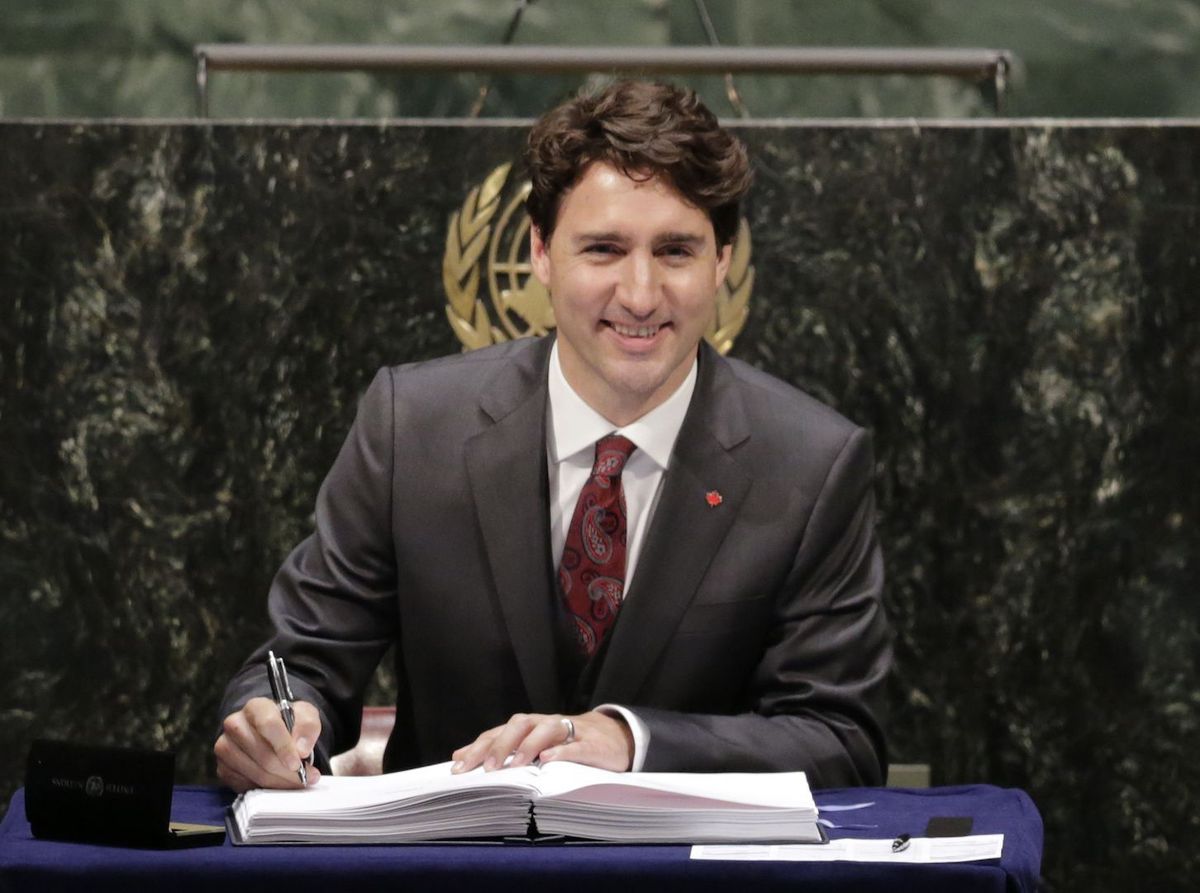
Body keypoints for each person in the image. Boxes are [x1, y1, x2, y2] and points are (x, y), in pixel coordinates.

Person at [214, 80, 891, 793]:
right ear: (540, 252)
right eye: (603, 249)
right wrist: (274, 722)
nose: (638, 293)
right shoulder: (410, 424)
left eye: (675, 251)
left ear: (722, 260)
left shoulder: (812, 463)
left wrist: (629, 738)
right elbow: (302, 662)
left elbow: (840, 739)